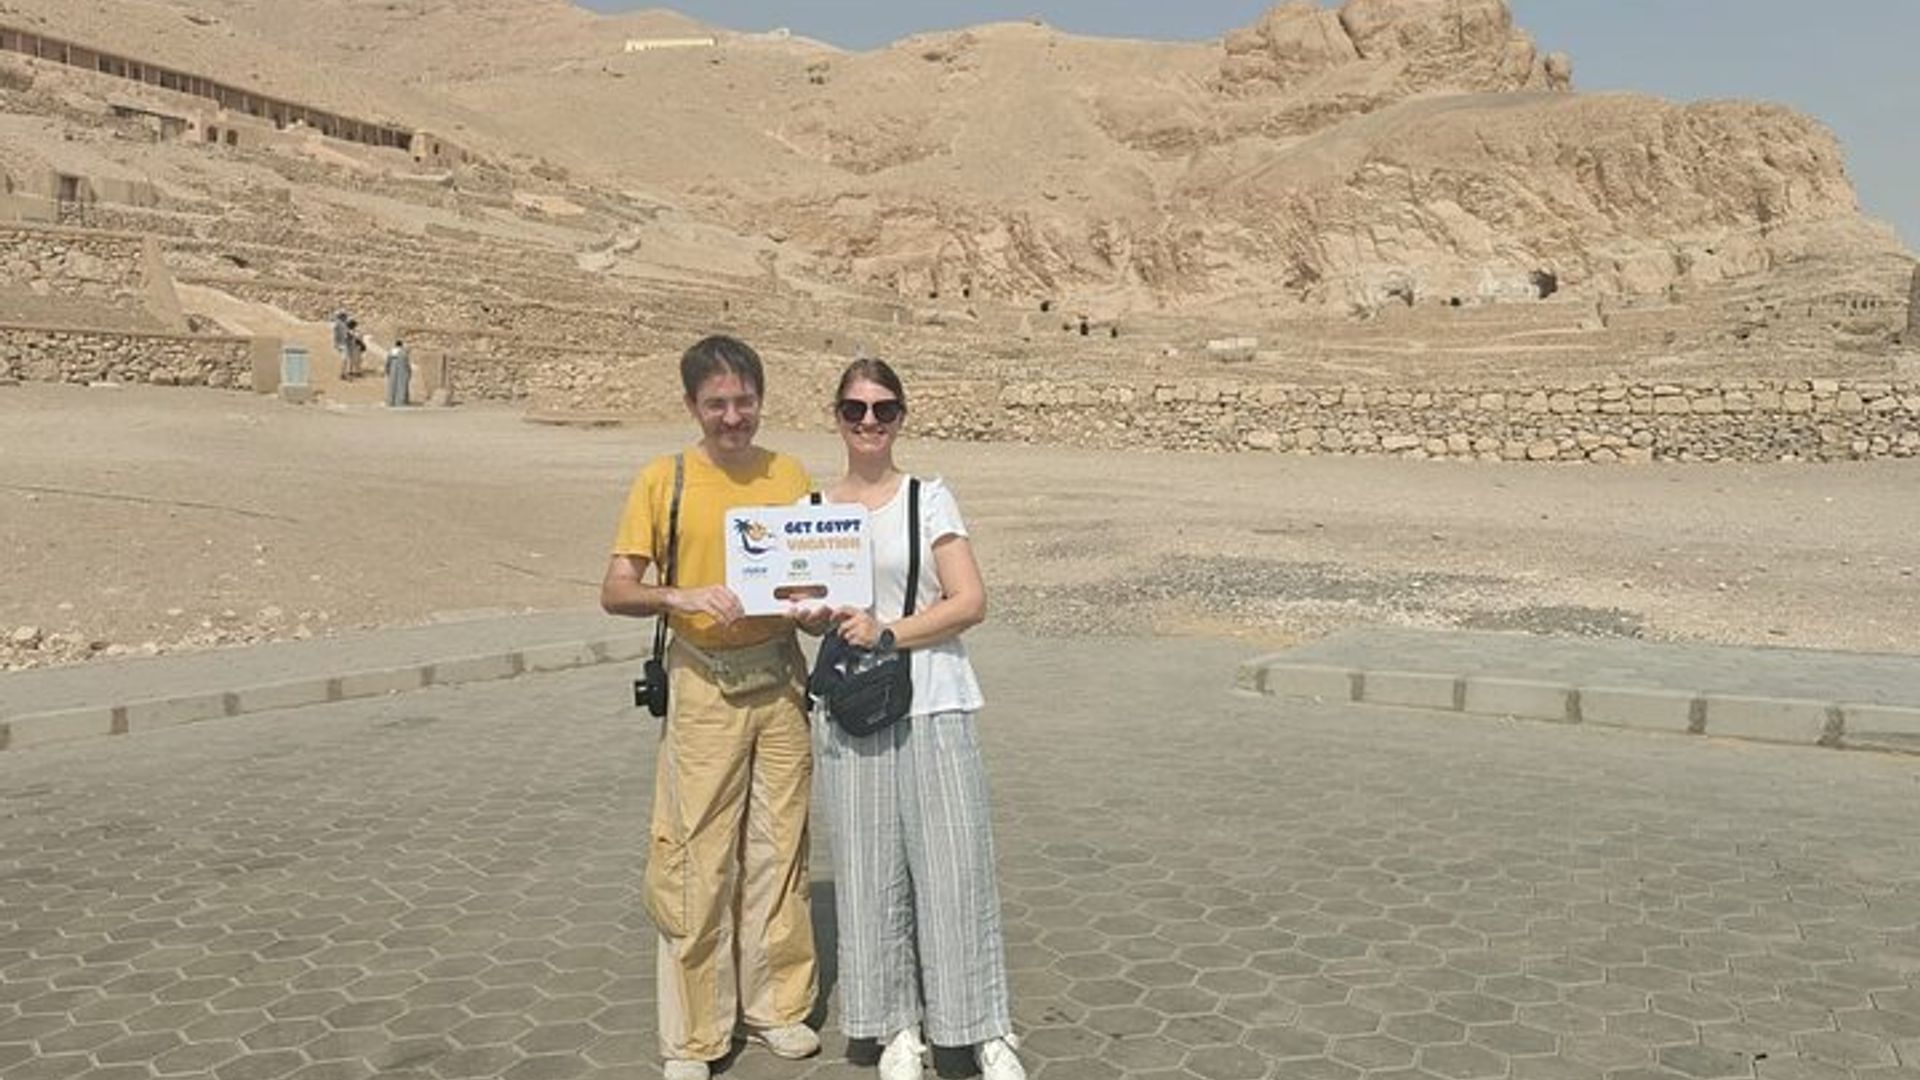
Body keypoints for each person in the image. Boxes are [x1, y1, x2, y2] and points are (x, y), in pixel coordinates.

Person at [600, 335, 820, 1080]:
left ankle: (777, 1006)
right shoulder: (663, 480)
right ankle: (694, 1035)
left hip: (780, 679)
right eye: (717, 403)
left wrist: (816, 605)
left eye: (745, 401)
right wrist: (681, 595)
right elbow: (616, 589)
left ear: (762, 399)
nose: (733, 417)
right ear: (692, 405)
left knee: (780, 849)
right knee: (697, 855)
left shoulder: (789, 474)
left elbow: (810, 573)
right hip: (703, 683)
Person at [811, 358, 1024, 1080]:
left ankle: (981, 1026)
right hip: (855, 712)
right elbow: (806, 603)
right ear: (837, 417)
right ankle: (896, 1025)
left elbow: (969, 601)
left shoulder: (928, 498)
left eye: (883, 409)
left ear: (901, 416)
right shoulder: (814, 509)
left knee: (955, 864)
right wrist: (809, 615)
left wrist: (889, 632)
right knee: (867, 868)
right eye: (855, 409)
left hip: (933, 697)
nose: (869, 422)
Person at [383, 339, 411, 407]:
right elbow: (407, 363)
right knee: (401, 385)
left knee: (392, 385)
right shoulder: (403, 352)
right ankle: (400, 401)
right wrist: (409, 371)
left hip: (393, 369)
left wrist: (387, 370)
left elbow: (387, 362)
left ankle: (391, 400)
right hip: (401, 370)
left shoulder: (391, 352)